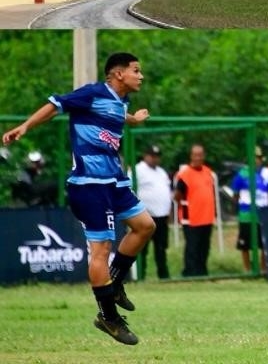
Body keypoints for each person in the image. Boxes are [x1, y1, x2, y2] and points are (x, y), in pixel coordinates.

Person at [2, 52, 154, 345]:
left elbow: (114, 115)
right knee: (101, 249)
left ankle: (115, 282)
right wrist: (25, 126)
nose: (141, 75)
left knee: (145, 226)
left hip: (114, 181)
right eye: (136, 70)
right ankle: (108, 317)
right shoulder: (92, 92)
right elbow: (55, 104)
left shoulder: (120, 101)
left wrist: (133, 119)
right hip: (89, 184)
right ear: (118, 74)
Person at [174, 144, 216, 277]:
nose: (198, 157)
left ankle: (202, 271)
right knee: (192, 247)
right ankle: (190, 272)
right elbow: (177, 195)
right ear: (191, 156)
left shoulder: (208, 172)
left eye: (200, 154)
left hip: (207, 217)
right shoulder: (185, 174)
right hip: (191, 218)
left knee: (204, 247)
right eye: (195, 155)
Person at [230, 146, 268, 275]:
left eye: (258, 158)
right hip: (246, 215)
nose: (256, 160)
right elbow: (235, 195)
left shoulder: (266, 173)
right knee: (245, 244)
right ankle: (247, 269)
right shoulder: (241, 174)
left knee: (263, 243)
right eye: (253, 158)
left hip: (262, 214)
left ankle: (263, 268)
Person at [133, 145, 172, 280]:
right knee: (142, 248)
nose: (155, 159)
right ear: (145, 155)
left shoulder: (161, 172)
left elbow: (167, 192)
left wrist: (168, 211)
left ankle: (163, 275)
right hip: (145, 216)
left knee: (161, 248)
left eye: (157, 156)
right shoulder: (137, 170)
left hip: (162, 216)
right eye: (152, 156)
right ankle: (140, 275)